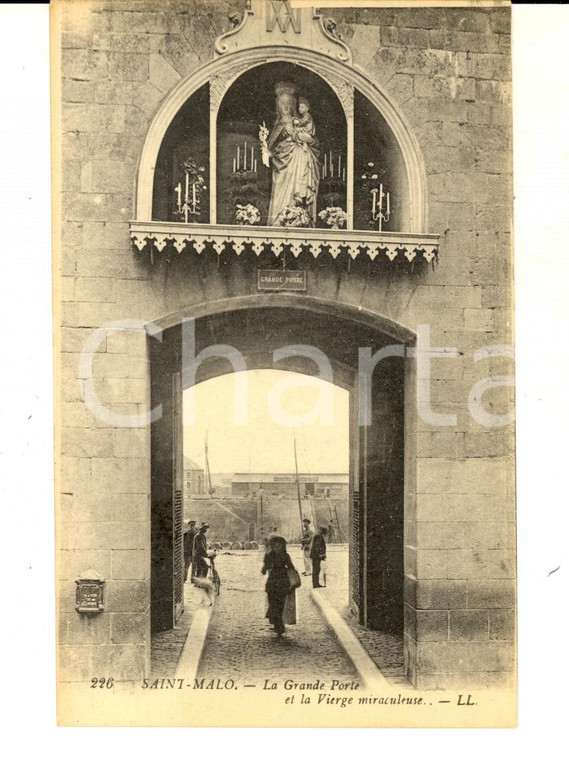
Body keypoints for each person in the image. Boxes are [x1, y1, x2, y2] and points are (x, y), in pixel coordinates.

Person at [267, 84, 320, 226]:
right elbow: (270, 147)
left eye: (288, 103)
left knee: (300, 186)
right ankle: (278, 219)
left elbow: (313, 140)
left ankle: (299, 217)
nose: (285, 107)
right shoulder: (278, 125)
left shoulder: (300, 121)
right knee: (280, 186)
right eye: (282, 103)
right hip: (282, 165)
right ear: (277, 105)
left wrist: (303, 139)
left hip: (299, 160)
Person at [261, 535, 296, 637]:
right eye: (275, 545)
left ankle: (278, 625)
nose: (277, 547)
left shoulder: (274, 556)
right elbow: (264, 570)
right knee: (275, 604)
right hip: (277, 582)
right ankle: (278, 624)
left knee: (278, 605)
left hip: (278, 583)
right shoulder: (283, 555)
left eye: (278, 545)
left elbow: (263, 571)